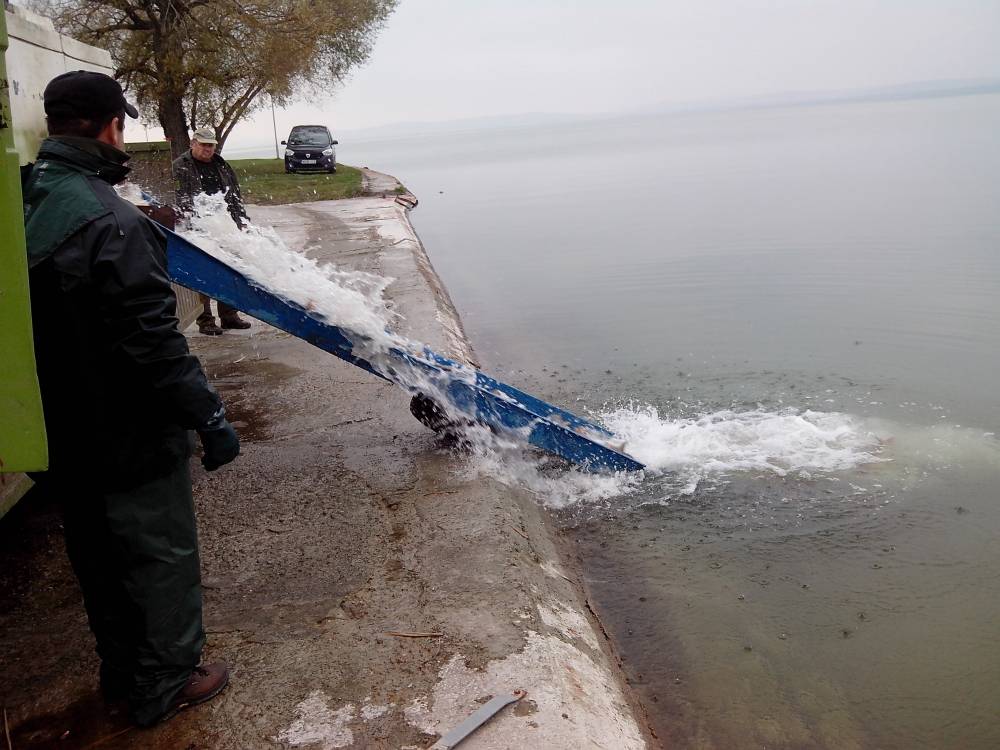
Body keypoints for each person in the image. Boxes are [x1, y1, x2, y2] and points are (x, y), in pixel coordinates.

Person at [22, 70, 239, 727]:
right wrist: (209, 417)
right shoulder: (113, 221)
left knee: (97, 557)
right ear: (110, 125)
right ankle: (167, 682)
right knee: (157, 556)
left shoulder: (30, 198)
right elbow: (156, 346)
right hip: (128, 429)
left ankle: (122, 675)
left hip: (58, 423)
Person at [172, 126, 252, 335]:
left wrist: (242, 222)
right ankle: (205, 320)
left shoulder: (222, 165)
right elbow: (176, 197)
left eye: (211, 145)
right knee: (202, 273)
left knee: (228, 268)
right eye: (204, 145)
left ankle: (229, 315)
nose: (208, 149)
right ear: (193, 143)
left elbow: (234, 196)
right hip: (196, 227)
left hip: (222, 224)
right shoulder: (179, 166)